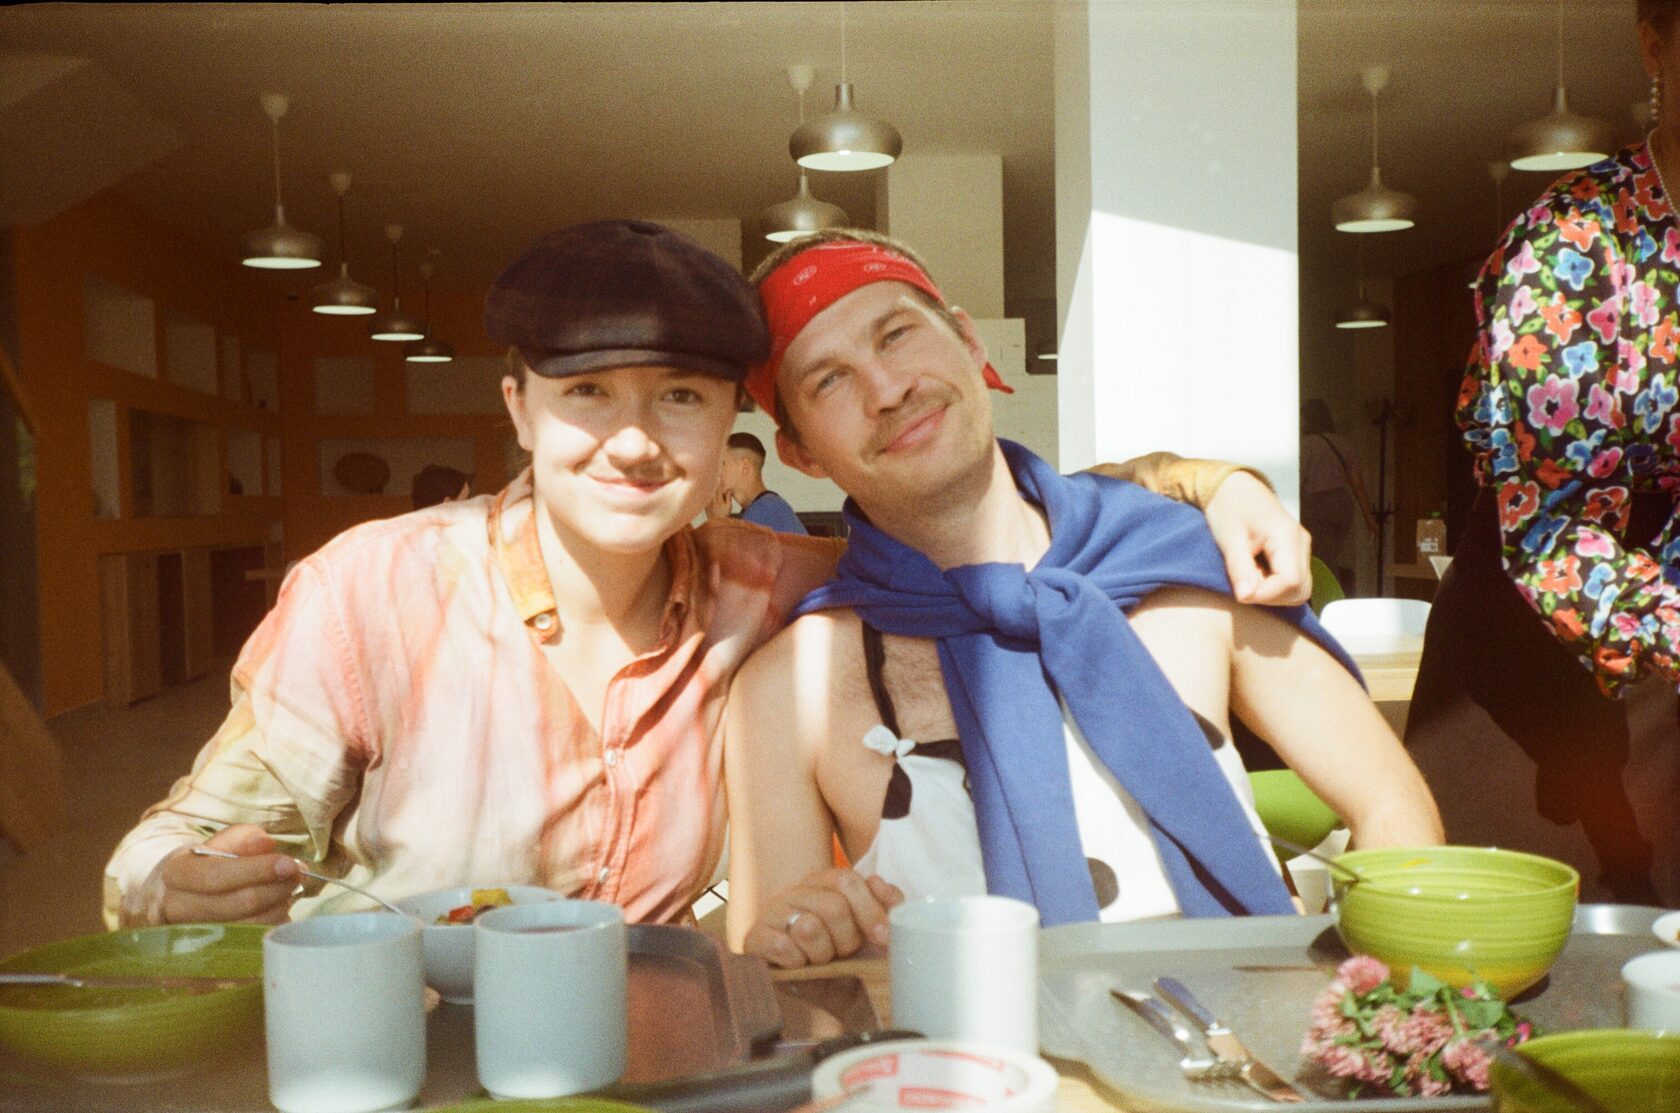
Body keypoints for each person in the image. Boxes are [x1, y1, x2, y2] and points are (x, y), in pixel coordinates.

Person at [102, 220, 1312, 929]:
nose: (635, 442)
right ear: (519, 410)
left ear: (732, 424)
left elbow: (980, 521)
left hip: (675, 1069)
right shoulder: (374, 592)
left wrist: (1197, 479)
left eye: (678, 397)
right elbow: (165, 849)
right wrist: (178, 884)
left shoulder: (765, 584)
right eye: (588, 394)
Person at [722, 230, 1443, 968]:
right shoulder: (789, 687)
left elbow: (1388, 800)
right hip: (961, 1040)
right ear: (800, 452)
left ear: (968, 341)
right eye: (829, 380)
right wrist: (806, 935)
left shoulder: (1176, 559)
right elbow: (774, 968)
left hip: (1255, 1028)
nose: (886, 390)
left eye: (897, 334)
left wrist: (1369, 994)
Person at [1405, 0, 1680, 907]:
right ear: (1655, 45)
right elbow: (1555, 531)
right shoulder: (1577, 238)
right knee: (1519, 978)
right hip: (1531, 683)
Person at [1298, 398, 1378, 593]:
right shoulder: (1343, 443)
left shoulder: (1307, 445)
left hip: (1317, 505)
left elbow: (1298, 480)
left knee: (1321, 563)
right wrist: (1369, 518)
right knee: (1329, 557)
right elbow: (1357, 484)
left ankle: (1331, 602)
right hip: (1343, 504)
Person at [715, 432, 808, 535]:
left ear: (744, 466)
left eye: (722, 463)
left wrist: (716, 521)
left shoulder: (764, 511)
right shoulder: (766, 507)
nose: (716, 472)